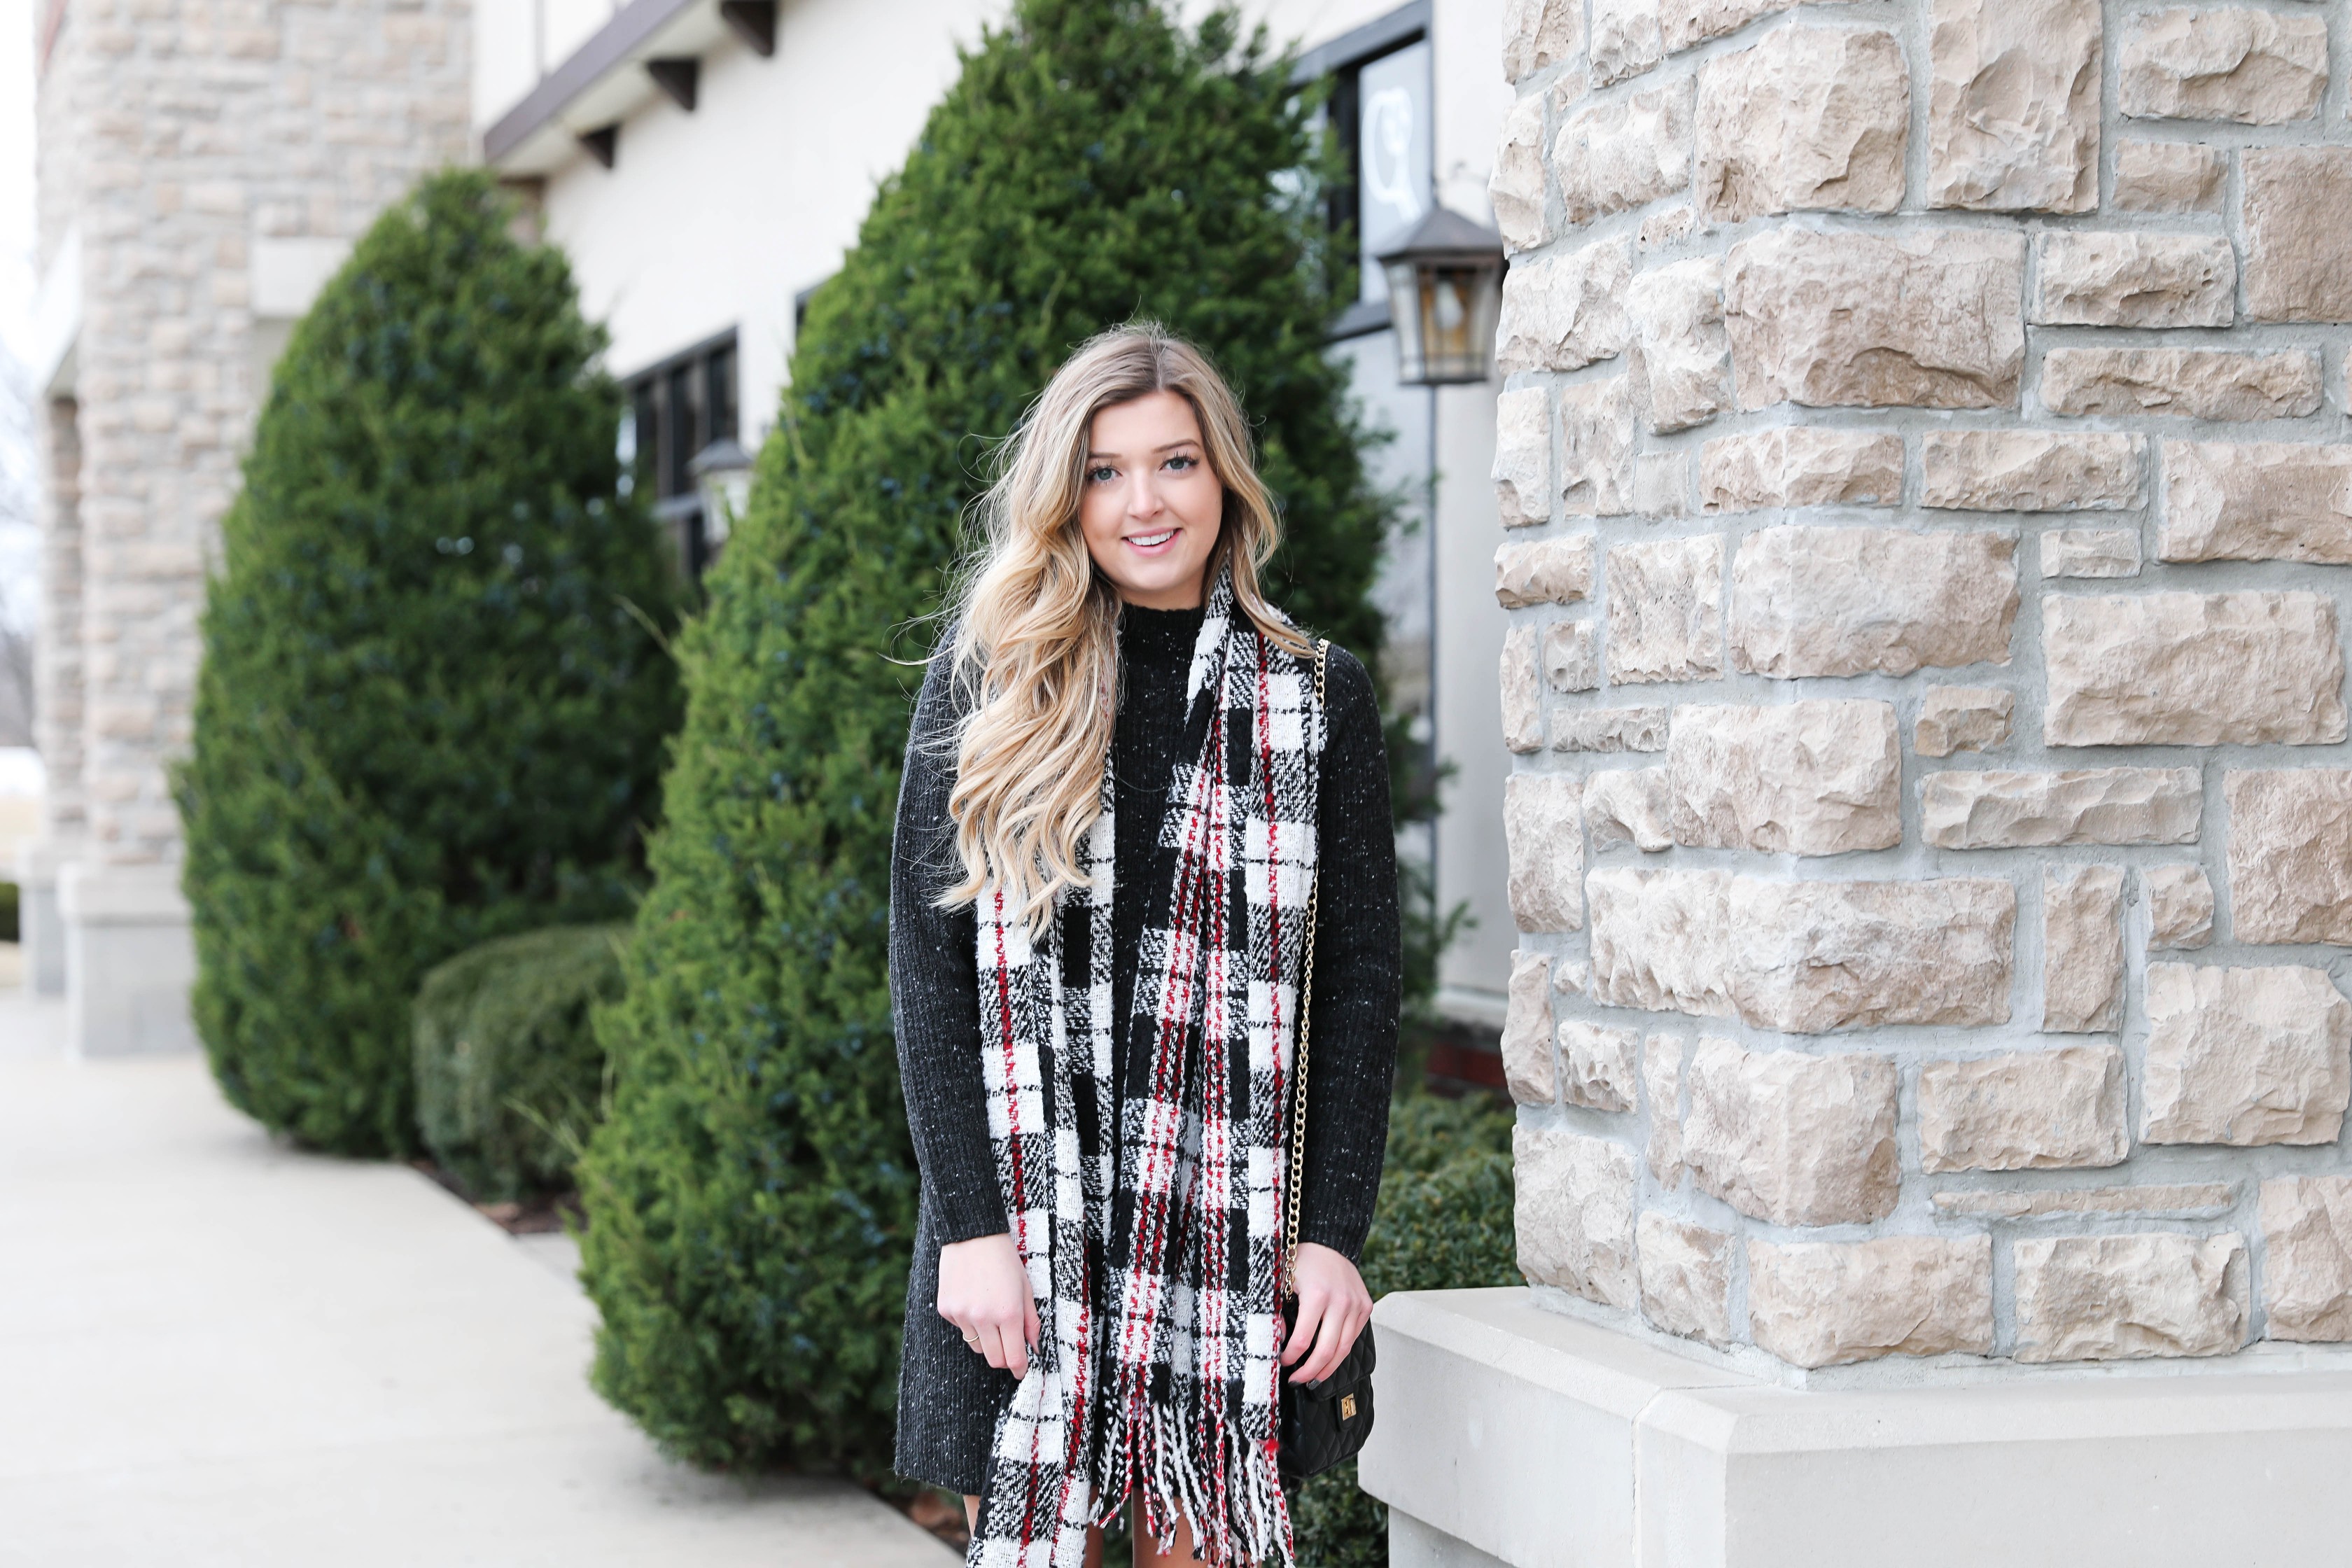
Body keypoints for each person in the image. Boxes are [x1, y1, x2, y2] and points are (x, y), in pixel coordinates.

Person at [889, 324, 1399, 1567]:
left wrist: (1330, 1228)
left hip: (1226, 1245)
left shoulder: (1315, 697)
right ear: (1067, 497)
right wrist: (972, 1232)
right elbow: (928, 972)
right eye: (1107, 471)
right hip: (1024, 1237)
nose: (1145, 501)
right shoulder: (994, 684)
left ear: (1224, 477)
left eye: (1174, 462)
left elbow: (1359, 987)